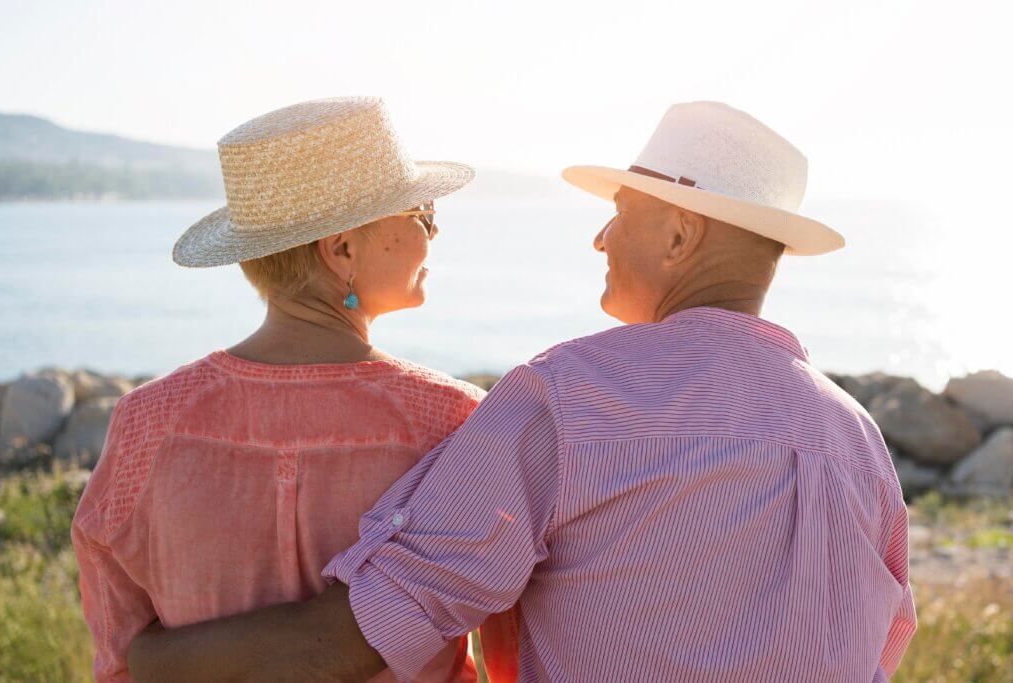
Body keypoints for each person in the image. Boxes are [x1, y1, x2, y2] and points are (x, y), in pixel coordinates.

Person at [126, 101, 917, 682]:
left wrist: (157, 658)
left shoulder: (568, 400)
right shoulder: (856, 438)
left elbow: (383, 619)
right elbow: (882, 641)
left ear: (680, 237)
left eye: (619, 214)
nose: (600, 238)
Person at [71, 97, 510, 682]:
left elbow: (122, 655)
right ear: (343, 249)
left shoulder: (146, 422)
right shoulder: (451, 421)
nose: (436, 229)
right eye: (422, 212)